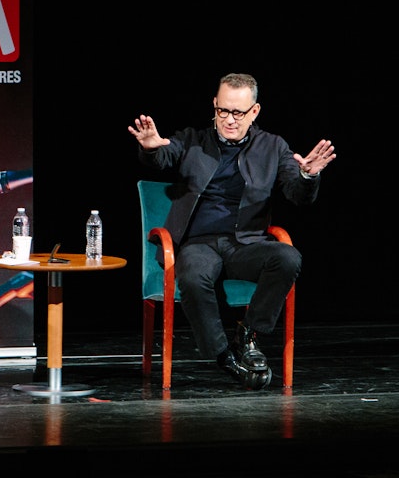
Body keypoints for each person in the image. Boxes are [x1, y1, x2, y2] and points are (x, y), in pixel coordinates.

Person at [127, 73, 336, 389]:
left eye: (238, 112)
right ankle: (224, 356)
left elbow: (297, 194)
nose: (229, 119)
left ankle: (249, 334)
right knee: (194, 276)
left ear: (254, 112)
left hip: (246, 244)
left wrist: (307, 176)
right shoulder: (192, 139)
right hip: (198, 243)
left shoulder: (273, 147)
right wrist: (151, 149)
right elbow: (163, 155)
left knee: (288, 256)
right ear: (214, 105)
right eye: (223, 110)